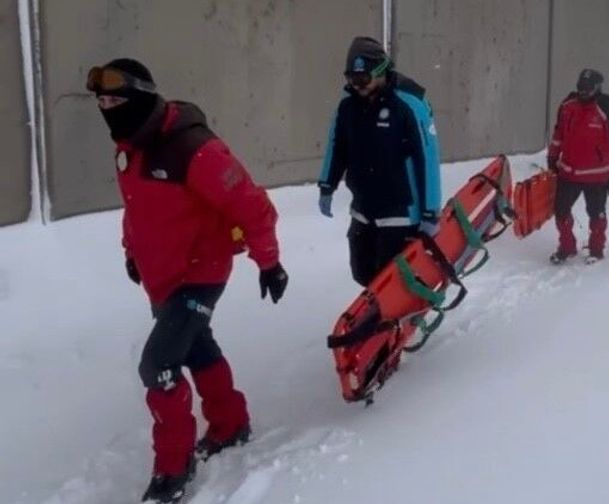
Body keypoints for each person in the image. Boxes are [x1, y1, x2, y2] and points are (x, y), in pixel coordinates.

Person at [87, 58, 288, 503]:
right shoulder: (130, 147)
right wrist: (131, 252)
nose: (107, 108)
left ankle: (173, 470)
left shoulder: (192, 149)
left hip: (201, 272)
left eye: (116, 99)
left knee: (157, 364)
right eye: (101, 101)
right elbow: (137, 207)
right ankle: (231, 423)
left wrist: (268, 263)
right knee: (197, 345)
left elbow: (252, 206)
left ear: (140, 97)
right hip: (163, 275)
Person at [318, 36, 441, 286]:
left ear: (381, 71)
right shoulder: (348, 105)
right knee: (362, 274)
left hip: (400, 213)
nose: (357, 85)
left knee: (389, 282)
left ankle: (392, 321)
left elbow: (428, 161)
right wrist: (326, 186)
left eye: (362, 79)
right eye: (352, 78)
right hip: (363, 208)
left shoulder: (409, 104)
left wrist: (430, 213)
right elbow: (336, 146)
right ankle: (378, 319)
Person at [547, 68, 609, 265]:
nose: (583, 91)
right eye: (580, 87)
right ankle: (567, 247)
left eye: (588, 88)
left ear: (597, 88)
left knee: (596, 214)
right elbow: (558, 134)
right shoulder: (567, 107)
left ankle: (596, 249)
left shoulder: (607, 111)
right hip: (568, 172)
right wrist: (552, 157)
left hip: (597, 177)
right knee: (561, 211)